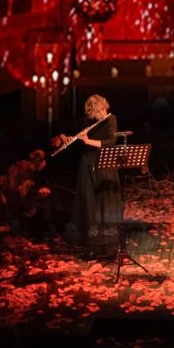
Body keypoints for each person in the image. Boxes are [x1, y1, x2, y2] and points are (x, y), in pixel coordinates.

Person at [60, 94, 121, 245]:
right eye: (98, 111)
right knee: (89, 195)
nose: (103, 113)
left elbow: (111, 142)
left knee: (105, 194)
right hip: (88, 161)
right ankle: (90, 229)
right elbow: (64, 130)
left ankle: (107, 229)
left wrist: (88, 141)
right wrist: (65, 137)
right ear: (92, 113)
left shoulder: (111, 119)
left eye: (104, 109)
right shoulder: (86, 122)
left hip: (105, 159)